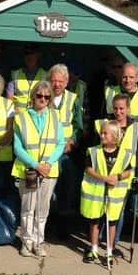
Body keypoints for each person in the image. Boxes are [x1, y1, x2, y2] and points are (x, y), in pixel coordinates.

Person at [11, 81, 65, 257]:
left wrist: (48, 164)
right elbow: (17, 148)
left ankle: (38, 242)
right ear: (33, 96)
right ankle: (26, 243)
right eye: (39, 95)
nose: (42, 99)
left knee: (42, 210)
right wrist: (36, 165)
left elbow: (61, 143)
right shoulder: (21, 117)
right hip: (29, 171)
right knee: (28, 209)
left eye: (46, 97)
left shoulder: (56, 117)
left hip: (49, 171)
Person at [93, 94, 138, 256]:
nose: (118, 112)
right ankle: (100, 238)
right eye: (115, 108)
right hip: (105, 175)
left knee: (118, 212)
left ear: (128, 109)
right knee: (102, 208)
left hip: (125, 176)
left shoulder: (134, 128)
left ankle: (112, 244)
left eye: (122, 108)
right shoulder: (105, 125)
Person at [81, 121, 133, 265]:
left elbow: (129, 171)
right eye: (101, 133)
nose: (102, 135)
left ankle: (109, 252)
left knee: (112, 223)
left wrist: (118, 177)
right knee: (95, 222)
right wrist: (104, 178)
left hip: (114, 195)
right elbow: (88, 168)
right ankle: (94, 249)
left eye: (105, 133)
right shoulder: (94, 151)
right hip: (97, 195)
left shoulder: (124, 154)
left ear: (115, 137)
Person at [48, 64, 83, 236]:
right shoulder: (43, 96)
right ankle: (48, 226)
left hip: (67, 153)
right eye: (53, 81)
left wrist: (73, 141)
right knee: (48, 190)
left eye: (60, 81)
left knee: (66, 189)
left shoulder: (73, 99)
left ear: (67, 81)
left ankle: (63, 228)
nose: (56, 85)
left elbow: (78, 125)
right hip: (47, 153)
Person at [7, 43, 47, 112]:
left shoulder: (45, 75)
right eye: (27, 53)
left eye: (32, 54)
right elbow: (9, 100)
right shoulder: (15, 74)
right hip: (18, 116)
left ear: (38, 55)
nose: (29, 57)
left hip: (37, 116)